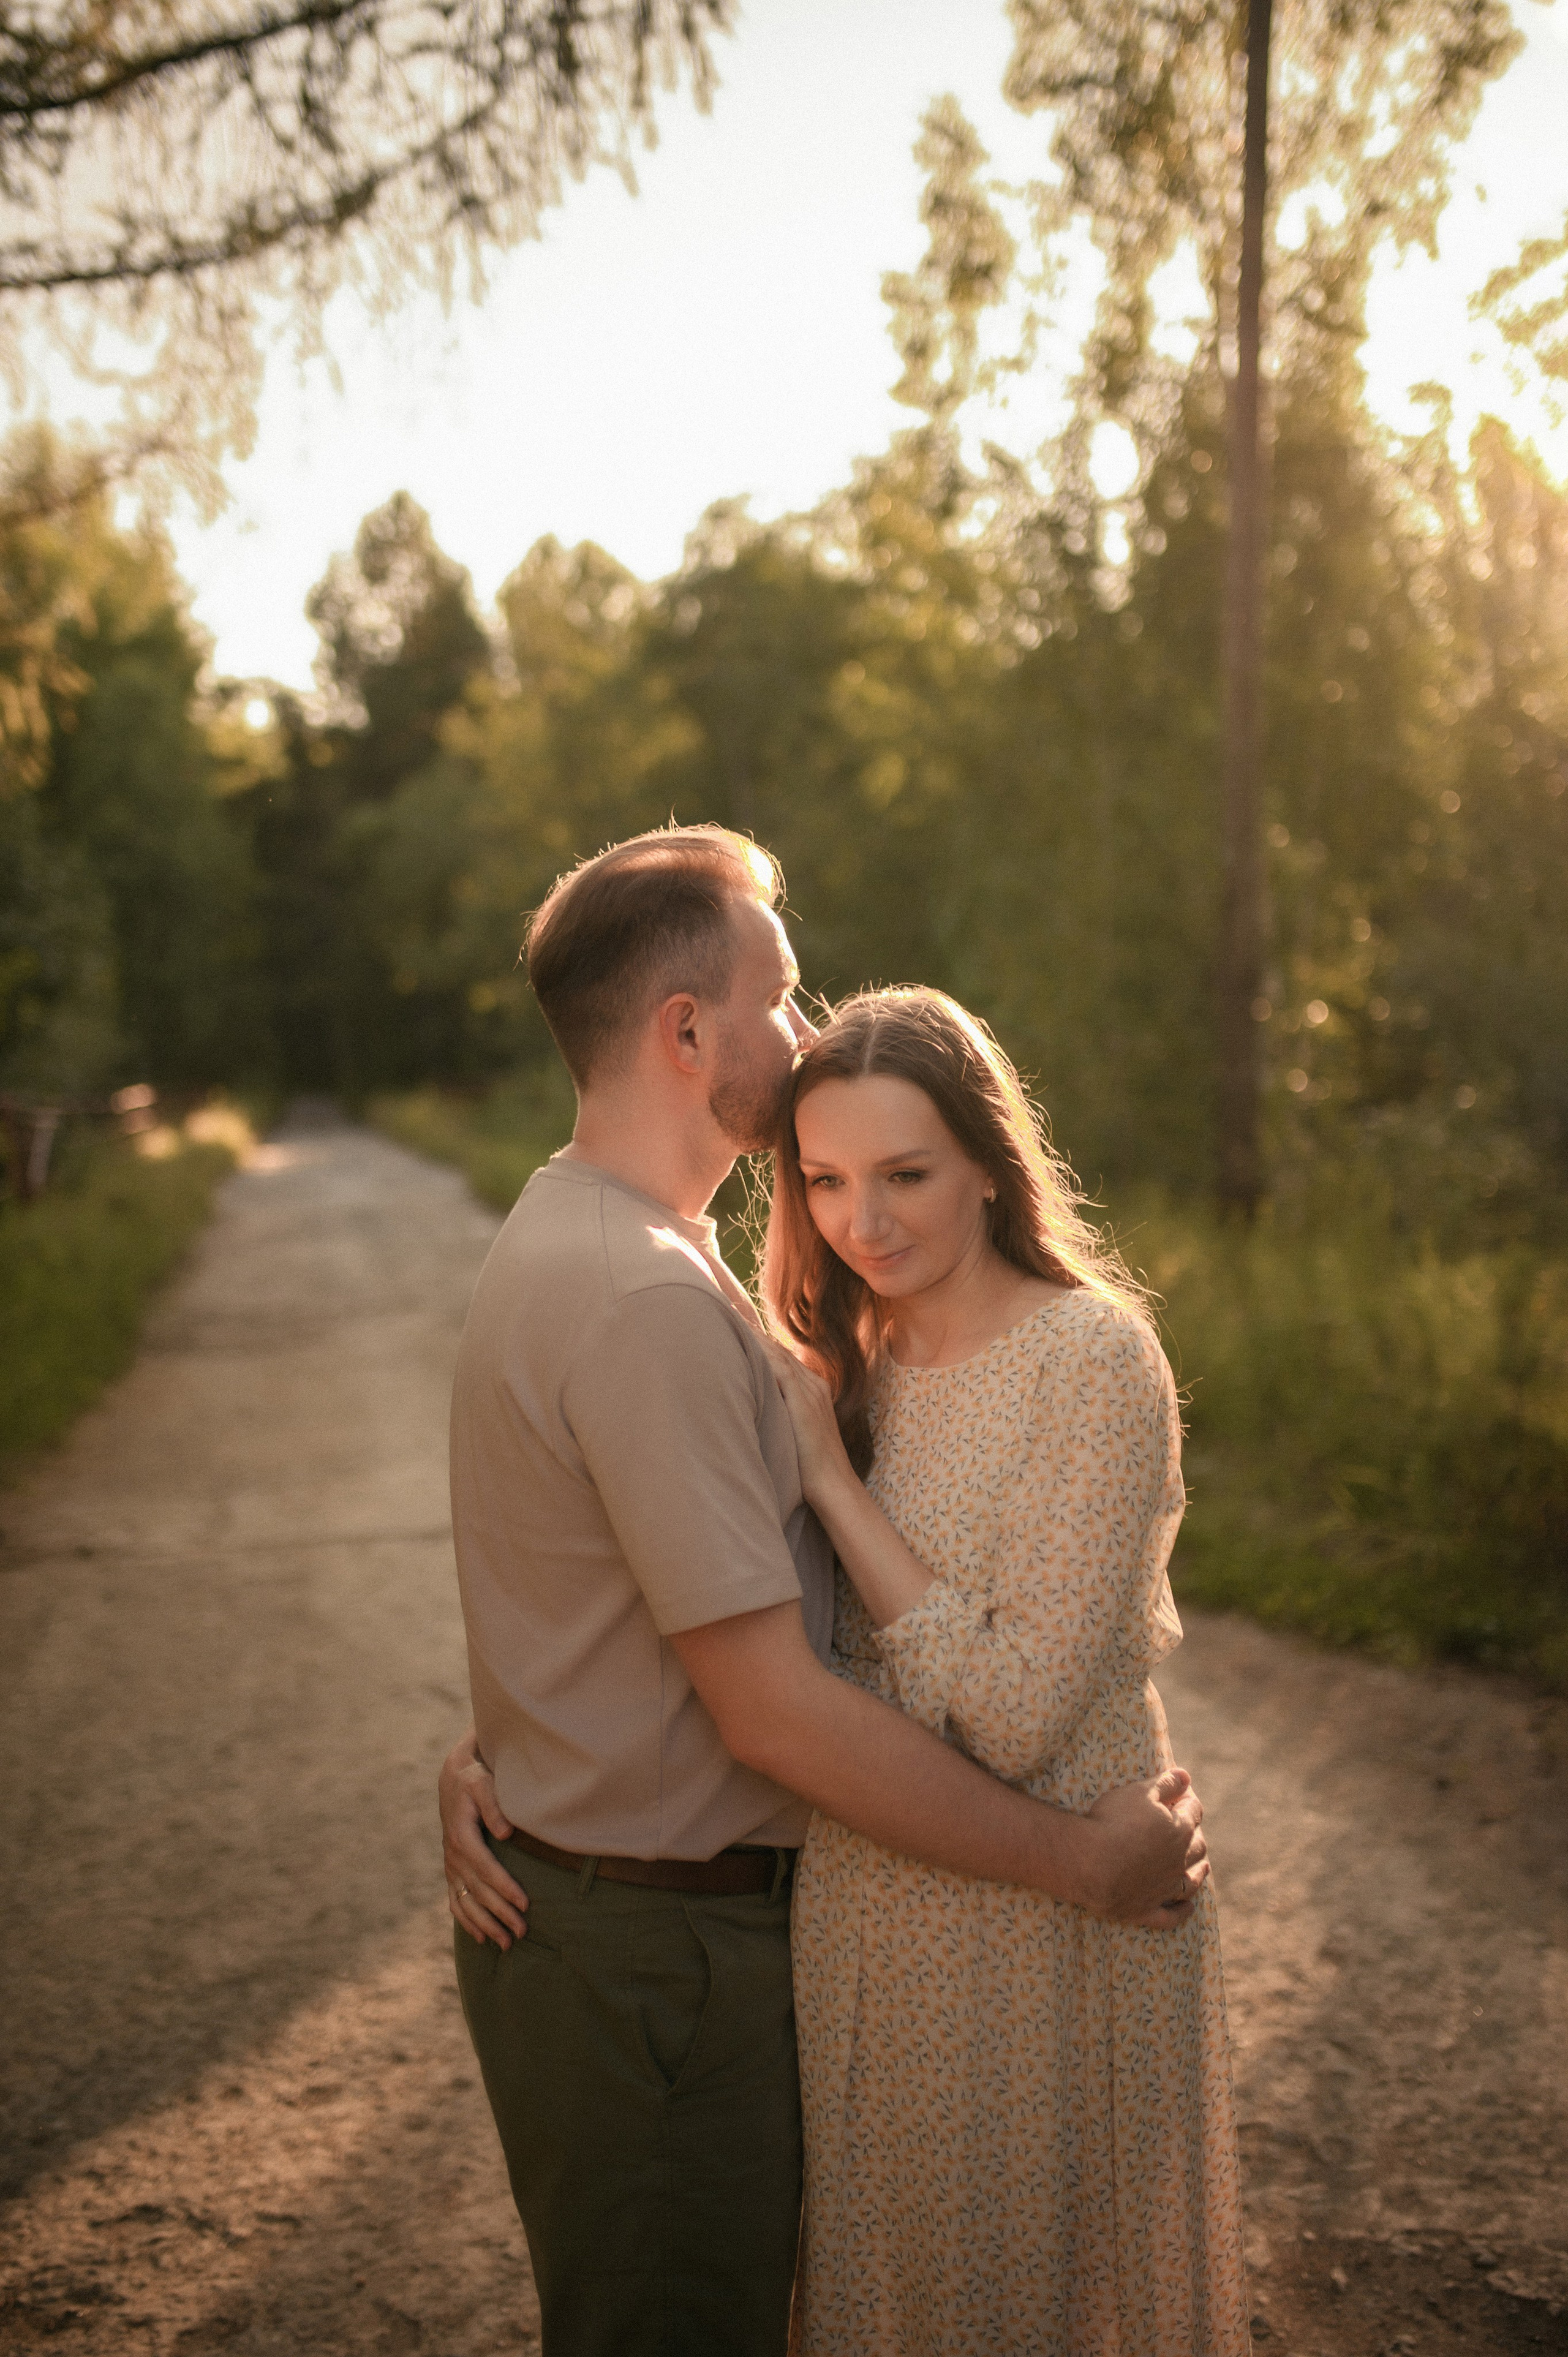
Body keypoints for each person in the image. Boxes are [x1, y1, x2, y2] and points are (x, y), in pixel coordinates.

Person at [439, 823, 1210, 2357]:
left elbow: (584, 1582)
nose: (798, 1030)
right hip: (659, 1958)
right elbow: (773, 1708)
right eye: (778, 995)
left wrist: (515, 1745)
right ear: (683, 1031)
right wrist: (1076, 1861)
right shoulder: (645, 1291)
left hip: (719, 1928)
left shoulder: (653, 1250)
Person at [760, 986, 1250, 2355]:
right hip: (869, 1906)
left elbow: (1022, 1712)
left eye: (906, 1173)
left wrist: (832, 1491)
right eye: (827, 1179)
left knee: (1035, 2303)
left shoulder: (1089, 1363)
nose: (866, 1221)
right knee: (889, 2297)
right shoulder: (840, 1357)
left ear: (986, 1159)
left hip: (1058, 1909)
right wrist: (497, 1746)